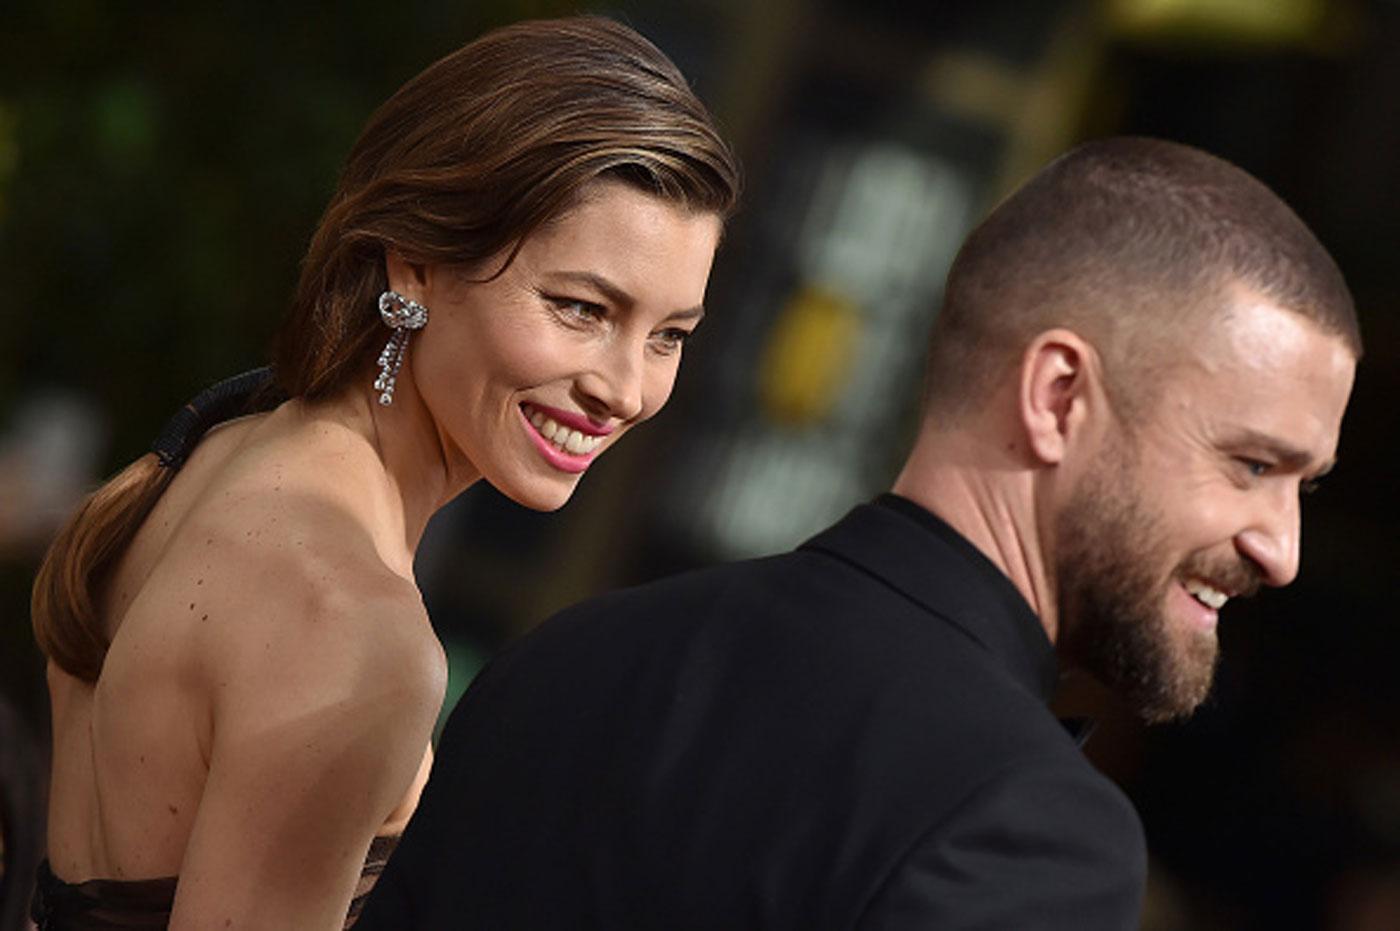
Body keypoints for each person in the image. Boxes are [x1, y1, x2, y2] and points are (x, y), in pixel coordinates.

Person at [355, 137, 1361, 930]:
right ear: (1057, 396)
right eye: (1251, 465)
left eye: (1301, 487)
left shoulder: (569, 658)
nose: (1280, 548)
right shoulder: (1022, 827)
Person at [28, 16, 738, 930]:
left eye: (670, 335)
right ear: (418, 261)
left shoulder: (222, 444)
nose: (625, 387)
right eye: (579, 307)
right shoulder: (354, 633)